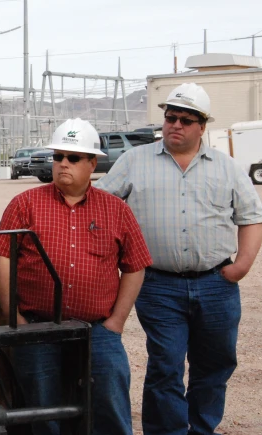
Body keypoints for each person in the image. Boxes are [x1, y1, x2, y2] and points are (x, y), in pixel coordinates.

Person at [95, 82, 262, 435]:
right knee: (166, 364)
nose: (176, 125)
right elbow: (99, 206)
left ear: (202, 125)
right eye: (171, 117)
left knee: (215, 365)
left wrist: (242, 265)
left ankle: (202, 428)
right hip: (158, 285)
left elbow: (250, 216)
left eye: (187, 120)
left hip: (217, 284)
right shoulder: (133, 162)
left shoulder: (227, 167)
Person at [0, 118, 152, 435]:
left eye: (73, 158)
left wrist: (117, 321)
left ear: (92, 163)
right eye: (58, 157)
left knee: (111, 400)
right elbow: (1, 257)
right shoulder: (25, 205)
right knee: (41, 411)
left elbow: (136, 264)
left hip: (97, 329)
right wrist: (16, 319)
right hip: (37, 327)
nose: (63, 163)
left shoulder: (116, 210)